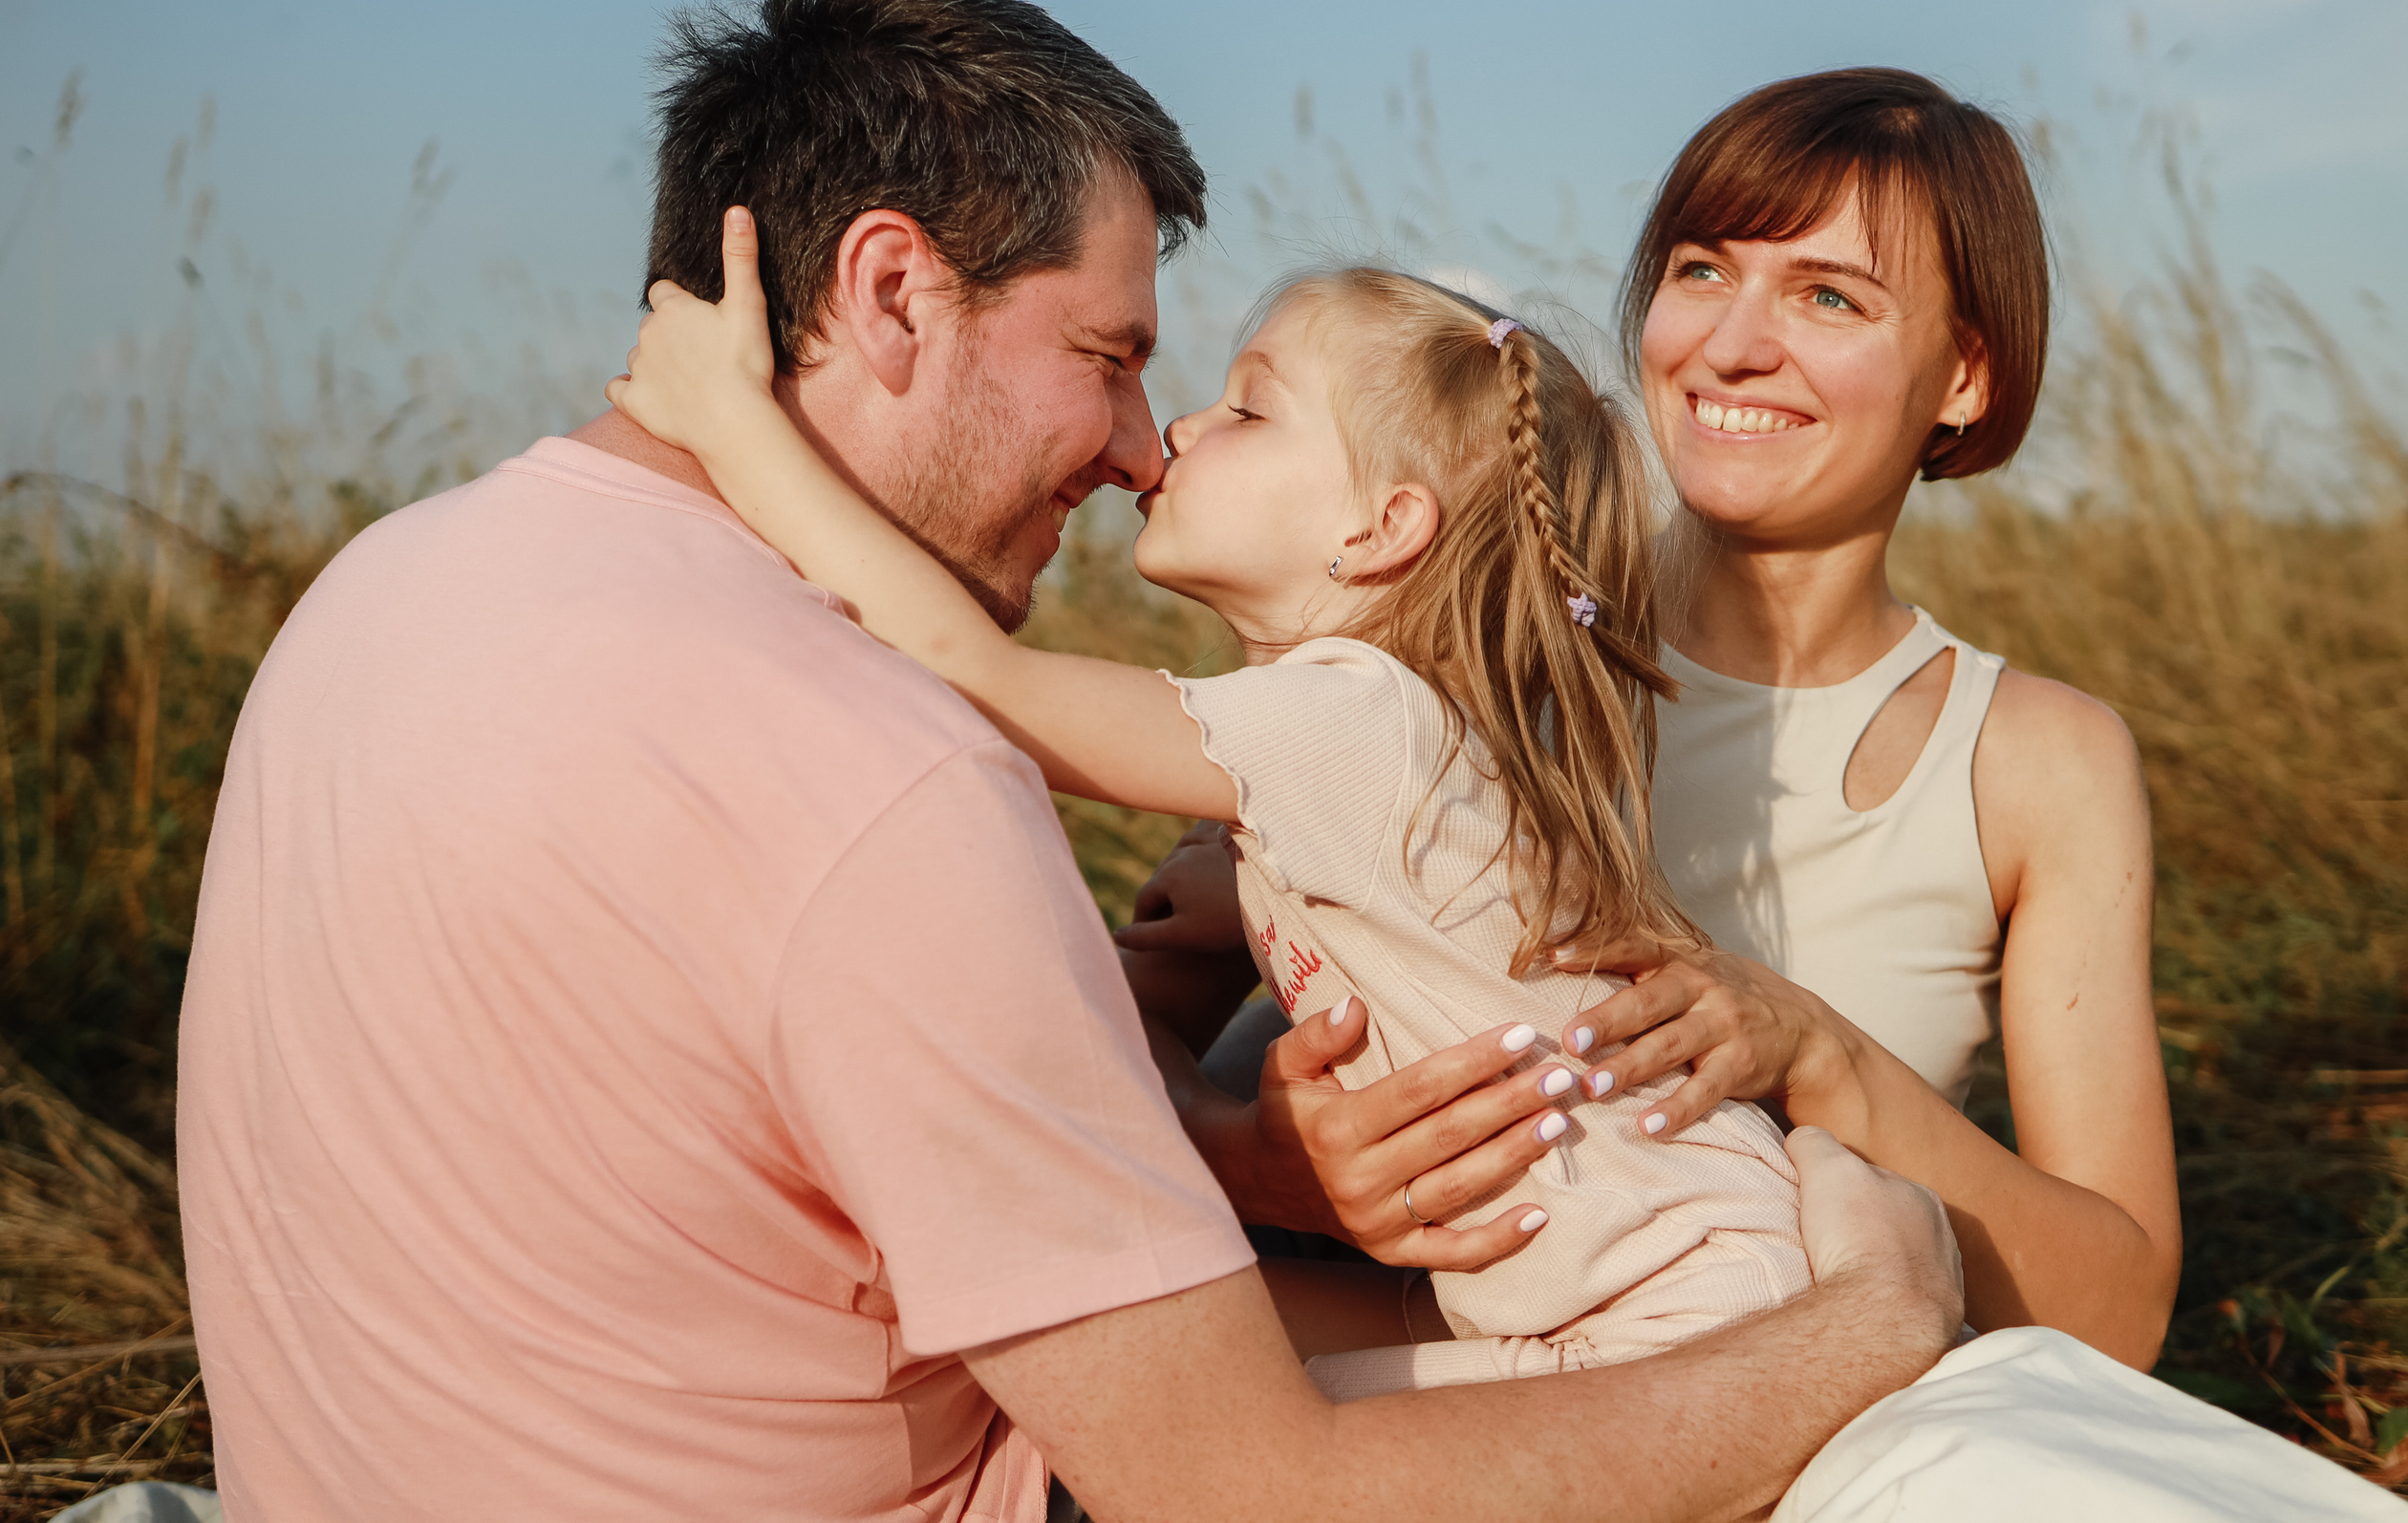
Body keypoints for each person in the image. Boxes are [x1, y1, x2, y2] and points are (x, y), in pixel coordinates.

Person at [176, 0, 1964, 1523]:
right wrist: (1867, 1332)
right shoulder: (885, 772)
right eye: (1108, 355)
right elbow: (1250, 1492)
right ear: (892, 291)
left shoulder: (378, 592)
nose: (1135, 445)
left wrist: (1220, 1138)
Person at [610, 244, 1823, 1402]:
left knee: (1198, 1427)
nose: (1178, 431)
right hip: (1609, 1298)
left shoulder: (1357, 721)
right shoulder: (1354, 752)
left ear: (1380, 530)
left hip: (1668, 1318)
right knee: (1145, 1360)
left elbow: (967, 669)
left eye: (1248, 409)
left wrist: (733, 423)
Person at [1137, 67, 2180, 1366]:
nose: (1730, 344)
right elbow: (1096, 1025)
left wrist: (1817, 1055)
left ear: (1965, 374)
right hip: (1341, 1364)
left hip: (1743, 1406)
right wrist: (1239, 1155)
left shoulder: (2037, 763)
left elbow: (2118, 1315)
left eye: (1828, 296)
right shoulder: (1466, 619)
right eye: (1701, 270)